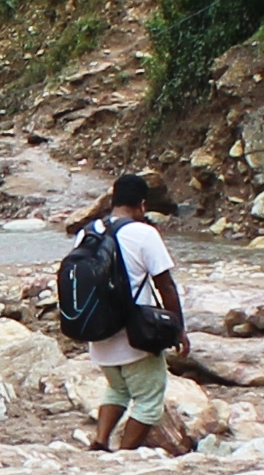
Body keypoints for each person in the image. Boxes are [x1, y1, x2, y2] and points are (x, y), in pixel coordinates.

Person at [70, 173, 197, 457]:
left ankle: (101, 441)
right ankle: (125, 455)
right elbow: (166, 285)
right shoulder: (144, 234)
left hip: (97, 330)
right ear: (142, 205)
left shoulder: (87, 232)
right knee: (149, 399)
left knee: (117, 388)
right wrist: (177, 328)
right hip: (135, 333)